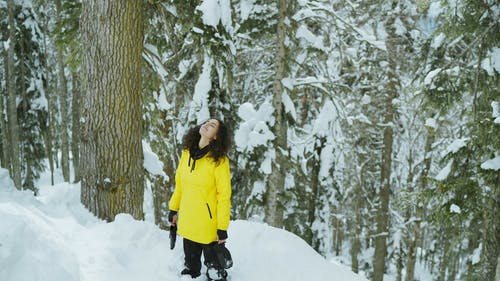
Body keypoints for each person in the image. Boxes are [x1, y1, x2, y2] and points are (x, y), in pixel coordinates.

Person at [168, 118, 232, 281]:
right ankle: (192, 270)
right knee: (190, 271)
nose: (206, 125)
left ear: (216, 136)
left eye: (212, 125)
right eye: (206, 122)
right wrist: (173, 209)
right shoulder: (187, 153)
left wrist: (222, 227)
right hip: (189, 223)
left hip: (208, 227)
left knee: (215, 274)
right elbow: (180, 186)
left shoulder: (219, 161)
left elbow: (224, 196)